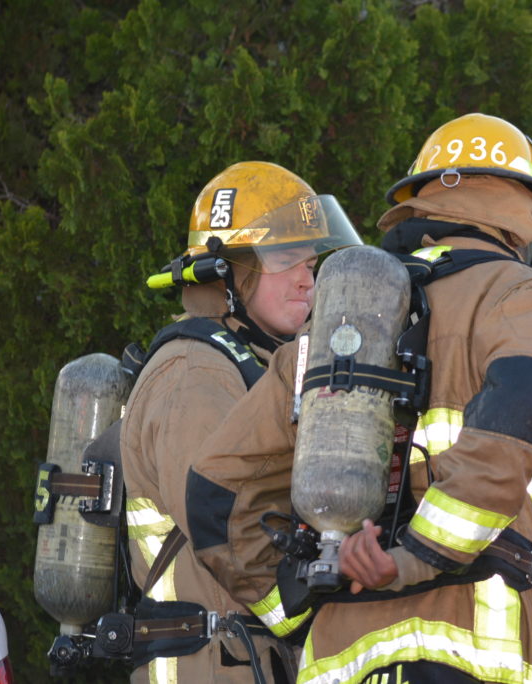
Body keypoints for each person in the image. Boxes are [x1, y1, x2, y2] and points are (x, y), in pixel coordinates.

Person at [184, 113, 532, 683]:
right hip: (480, 652)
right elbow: (519, 416)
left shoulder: (336, 324)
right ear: (528, 211)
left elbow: (215, 493)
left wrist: (297, 611)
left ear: (419, 202)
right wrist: (415, 559)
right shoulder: (528, 297)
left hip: (342, 660)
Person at [121, 161, 362, 684]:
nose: (307, 279)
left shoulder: (253, 366)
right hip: (210, 662)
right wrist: (308, 615)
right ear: (227, 272)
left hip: (245, 655)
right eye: (285, 259)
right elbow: (221, 520)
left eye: (311, 262)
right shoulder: (196, 371)